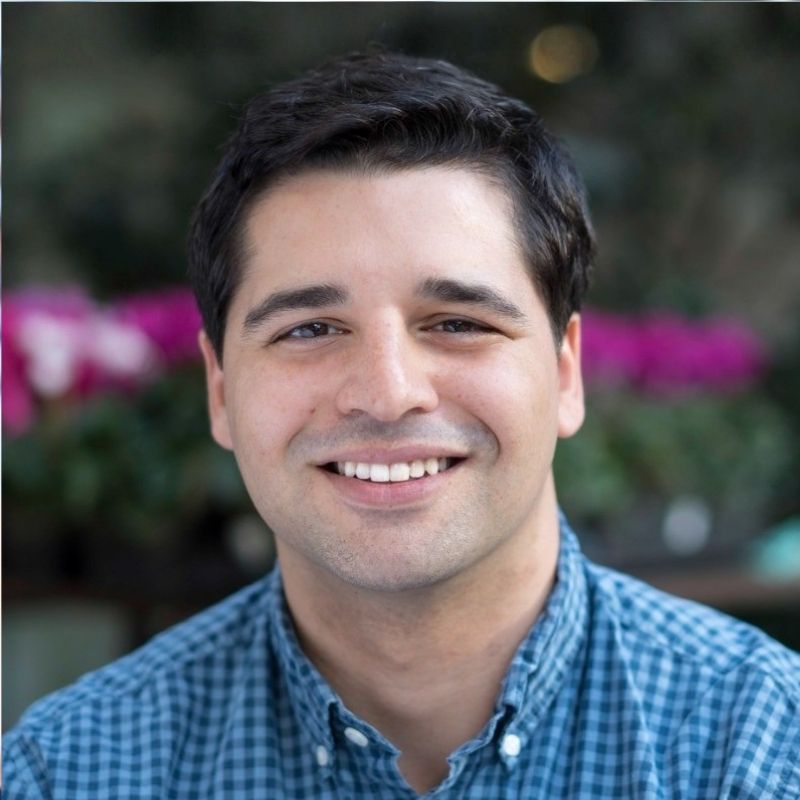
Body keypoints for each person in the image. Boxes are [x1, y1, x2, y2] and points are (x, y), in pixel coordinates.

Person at [4, 50, 799, 800]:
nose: (387, 394)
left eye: (457, 323)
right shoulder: (72, 773)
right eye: (310, 329)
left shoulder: (762, 748)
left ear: (565, 372)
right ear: (220, 390)